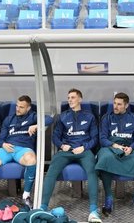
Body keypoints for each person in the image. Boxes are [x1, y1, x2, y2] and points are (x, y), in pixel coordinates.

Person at [0, 95, 54, 218]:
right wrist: (3, 144)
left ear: (28, 108)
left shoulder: (33, 116)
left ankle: (26, 196)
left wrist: (37, 125)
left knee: (32, 160)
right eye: (17, 106)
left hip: (23, 149)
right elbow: (1, 138)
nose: (18, 109)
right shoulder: (9, 119)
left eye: (21, 107)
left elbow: (49, 119)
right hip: (7, 148)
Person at [40, 88, 101, 223]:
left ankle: (93, 210)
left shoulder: (89, 116)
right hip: (66, 150)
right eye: (68, 98)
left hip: (83, 150)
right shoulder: (63, 116)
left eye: (73, 97)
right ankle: (42, 207)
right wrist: (62, 145)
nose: (70, 100)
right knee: (51, 172)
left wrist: (84, 147)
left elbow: (95, 138)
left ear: (80, 99)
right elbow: (55, 136)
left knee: (92, 171)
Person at [96, 93, 134, 216]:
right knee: (105, 158)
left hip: (130, 148)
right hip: (111, 147)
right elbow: (103, 139)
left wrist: (131, 148)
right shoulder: (106, 118)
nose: (115, 106)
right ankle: (109, 198)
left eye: (119, 104)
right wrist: (116, 146)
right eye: (114, 103)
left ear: (126, 105)